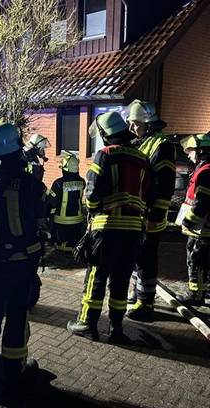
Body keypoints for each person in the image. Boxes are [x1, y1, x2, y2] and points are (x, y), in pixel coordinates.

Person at [0, 123, 47, 386]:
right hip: (20, 262)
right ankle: (15, 368)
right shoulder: (28, 184)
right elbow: (40, 216)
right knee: (17, 312)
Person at [67, 112, 152, 342]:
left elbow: (92, 195)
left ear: (105, 134)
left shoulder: (105, 155)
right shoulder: (142, 158)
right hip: (134, 232)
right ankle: (116, 330)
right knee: (121, 281)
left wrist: (93, 209)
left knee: (96, 277)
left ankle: (87, 324)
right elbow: (148, 194)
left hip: (106, 229)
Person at [124, 100, 177, 321]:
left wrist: (155, 214)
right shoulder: (141, 142)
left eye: (135, 123)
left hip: (150, 216)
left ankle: (146, 304)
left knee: (146, 259)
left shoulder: (162, 146)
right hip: (138, 214)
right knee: (137, 257)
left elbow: (165, 184)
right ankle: (137, 294)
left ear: (148, 123)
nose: (131, 128)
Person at [176, 133, 210, 306]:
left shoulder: (205, 173)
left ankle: (196, 295)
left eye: (191, 151)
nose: (188, 155)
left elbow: (202, 202)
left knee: (196, 260)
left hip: (204, 226)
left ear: (200, 151)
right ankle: (207, 287)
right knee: (203, 260)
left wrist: (188, 220)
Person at [47, 151, 86, 251]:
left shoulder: (58, 183)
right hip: (78, 220)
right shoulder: (82, 182)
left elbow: (51, 202)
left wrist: (48, 216)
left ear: (65, 168)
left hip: (61, 221)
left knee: (59, 243)